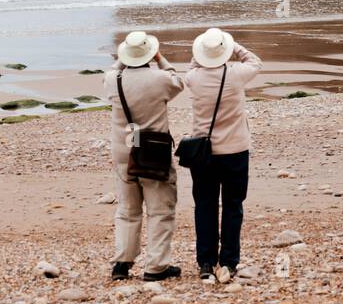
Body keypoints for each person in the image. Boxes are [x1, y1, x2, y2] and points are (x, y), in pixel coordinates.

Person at [184, 27, 262, 283]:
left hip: (204, 154)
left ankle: (206, 261)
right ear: (224, 52)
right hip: (235, 150)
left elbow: (192, 66)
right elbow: (254, 61)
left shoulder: (194, 78)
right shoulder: (237, 74)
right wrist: (233, 45)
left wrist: (203, 52)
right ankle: (229, 261)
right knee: (233, 206)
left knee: (205, 205)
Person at [106, 30, 184, 281]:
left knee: (127, 209)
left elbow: (113, 69)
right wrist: (160, 58)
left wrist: (121, 58)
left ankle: (122, 263)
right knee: (160, 209)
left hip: (123, 150)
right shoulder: (160, 79)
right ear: (150, 54)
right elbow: (177, 80)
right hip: (153, 151)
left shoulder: (112, 79)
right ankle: (156, 266)